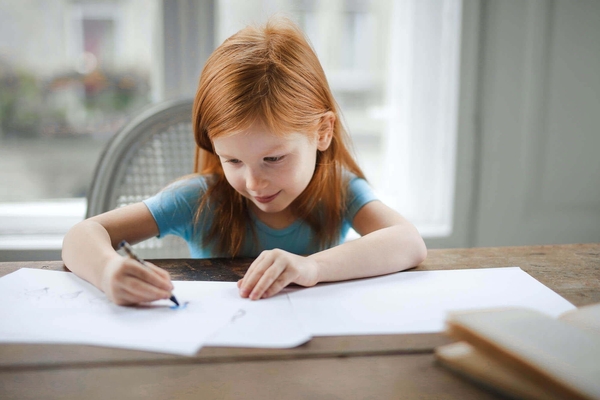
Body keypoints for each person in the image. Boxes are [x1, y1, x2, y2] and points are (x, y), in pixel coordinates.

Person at [62, 17, 427, 306]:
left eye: (273, 158)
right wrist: (108, 271)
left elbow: (408, 242)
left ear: (322, 132)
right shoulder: (197, 199)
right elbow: (82, 235)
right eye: (232, 160)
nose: (253, 182)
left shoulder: (339, 188)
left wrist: (312, 266)